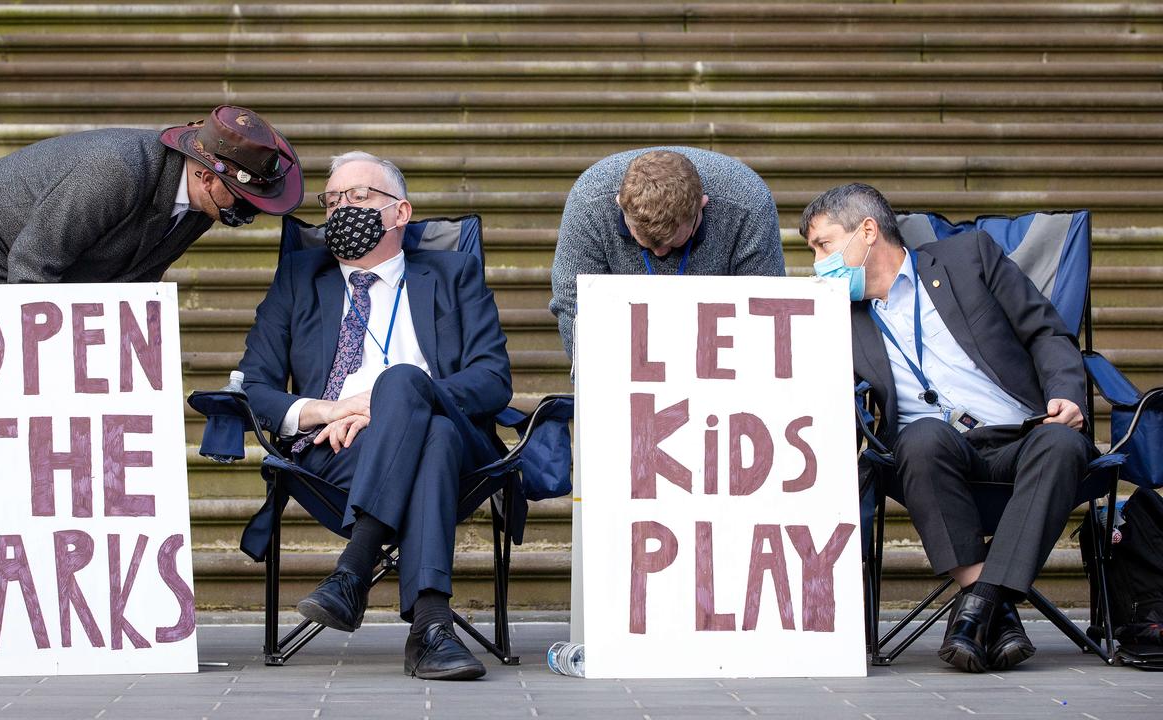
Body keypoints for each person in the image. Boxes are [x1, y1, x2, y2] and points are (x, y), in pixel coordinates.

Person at [237, 151, 512, 680]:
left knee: (407, 384)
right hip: (337, 447)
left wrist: (394, 398)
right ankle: (431, 630)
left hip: (461, 441)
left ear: (400, 213)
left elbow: (493, 379)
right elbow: (254, 385)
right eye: (333, 200)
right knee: (428, 434)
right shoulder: (299, 277)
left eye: (359, 197)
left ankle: (352, 572)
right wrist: (335, 408)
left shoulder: (454, 273)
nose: (342, 209)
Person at [799, 183, 1096, 673]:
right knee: (920, 437)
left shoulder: (968, 258)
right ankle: (991, 606)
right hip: (931, 452)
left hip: (1021, 431)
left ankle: (975, 607)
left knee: (1062, 444)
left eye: (823, 245)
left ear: (867, 232)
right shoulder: (835, 315)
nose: (817, 263)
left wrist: (1066, 390)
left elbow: (1044, 329)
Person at [0, 105, 302, 285]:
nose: (249, 211)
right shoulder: (114, 170)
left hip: (35, 264)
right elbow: (33, 265)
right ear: (206, 177)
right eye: (242, 197)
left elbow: (141, 275)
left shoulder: (205, 204)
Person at [548, 146, 784, 359]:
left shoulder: (749, 206)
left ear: (702, 205)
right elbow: (573, 303)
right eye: (647, 244)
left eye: (673, 243)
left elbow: (765, 309)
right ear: (619, 204)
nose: (660, 254)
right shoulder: (589, 202)